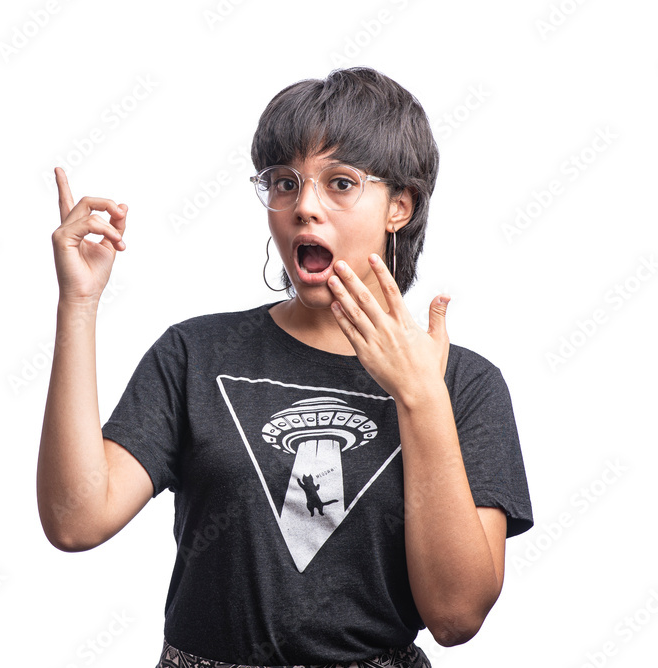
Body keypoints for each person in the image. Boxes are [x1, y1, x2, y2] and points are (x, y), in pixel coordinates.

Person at [37, 66, 534, 668]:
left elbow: (456, 617)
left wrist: (420, 396)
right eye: (284, 182)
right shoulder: (197, 354)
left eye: (341, 184)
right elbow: (75, 520)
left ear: (399, 206)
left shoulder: (466, 386)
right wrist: (80, 303)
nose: (304, 208)